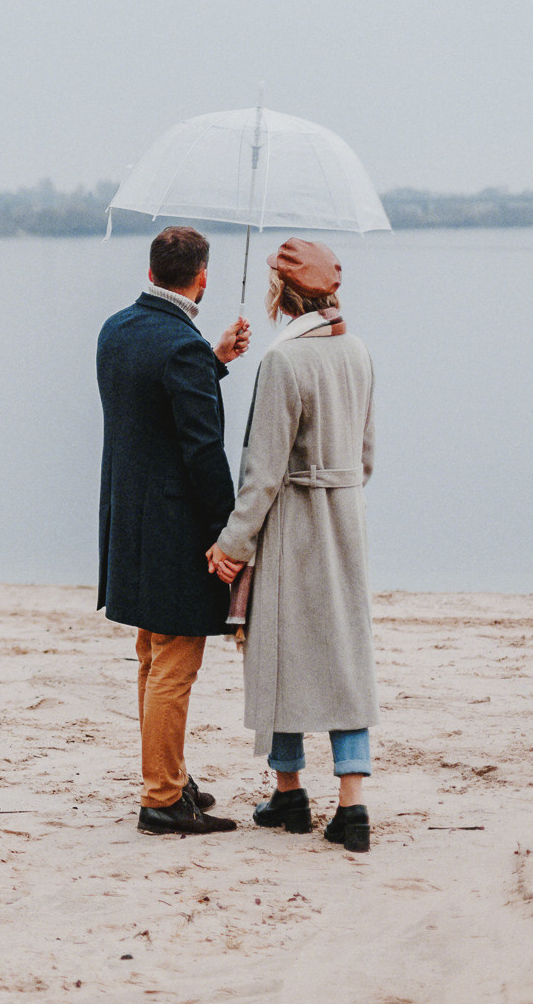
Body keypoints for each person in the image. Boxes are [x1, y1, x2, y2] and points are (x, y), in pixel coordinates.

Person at [206, 238, 379, 853]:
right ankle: (353, 805)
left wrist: (232, 542)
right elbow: (366, 457)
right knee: (346, 653)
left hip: (294, 522)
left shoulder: (284, 362)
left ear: (283, 293)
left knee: (280, 652)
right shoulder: (357, 351)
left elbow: (263, 472)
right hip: (346, 517)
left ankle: (289, 790)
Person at [97, 225, 251, 836]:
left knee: (150, 656)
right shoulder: (179, 346)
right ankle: (162, 797)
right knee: (175, 664)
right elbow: (201, 449)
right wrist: (228, 533)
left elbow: (153, 402)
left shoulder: (119, 328)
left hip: (128, 519)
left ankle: (169, 775)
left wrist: (213, 360)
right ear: (203, 277)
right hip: (174, 527)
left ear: (154, 271)